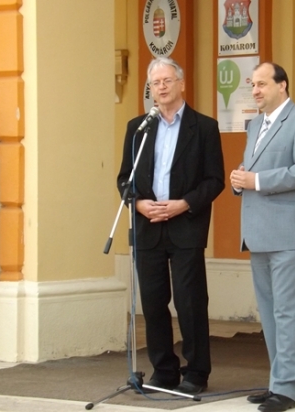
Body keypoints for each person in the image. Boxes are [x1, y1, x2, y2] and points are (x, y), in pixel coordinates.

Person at [117, 57, 225, 395]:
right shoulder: (138, 128)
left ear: (181, 84)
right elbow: (124, 179)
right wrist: (138, 203)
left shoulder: (204, 127)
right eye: (155, 83)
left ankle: (196, 371)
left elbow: (215, 180)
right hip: (148, 227)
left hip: (186, 225)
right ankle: (163, 370)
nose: (161, 87)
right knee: (153, 302)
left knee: (190, 302)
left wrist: (184, 203)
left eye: (166, 81)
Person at [230, 62, 295, 412]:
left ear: (282, 85)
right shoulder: (255, 125)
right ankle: (280, 383)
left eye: (262, 84)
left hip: (291, 233)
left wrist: (256, 181)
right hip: (258, 232)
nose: (255, 91)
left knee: (288, 312)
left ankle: (285, 389)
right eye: (252, 85)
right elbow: (254, 170)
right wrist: (240, 179)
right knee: (270, 313)